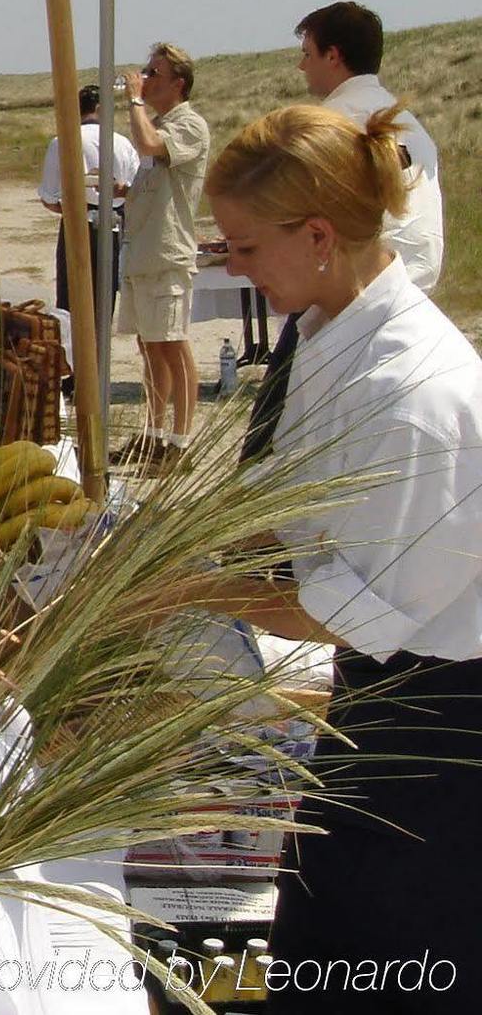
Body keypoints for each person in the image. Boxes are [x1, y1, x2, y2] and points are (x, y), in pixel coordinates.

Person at [191, 103, 482, 1010]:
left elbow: (353, 608)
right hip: (382, 702)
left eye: (242, 247)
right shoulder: (325, 330)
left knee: (396, 961)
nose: (231, 268)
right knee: (321, 939)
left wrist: (180, 590)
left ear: (317, 234)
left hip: (442, 731)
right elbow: (292, 498)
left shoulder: (416, 397)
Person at [295, 0, 443, 293]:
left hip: (371, 283)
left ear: (333, 56)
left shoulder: (334, 122)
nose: (301, 66)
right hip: (421, 276)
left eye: (307, 54)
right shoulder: (405, 118)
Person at [114, 43, 210, 475]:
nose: (146, 78)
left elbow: (151, 145)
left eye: (154, 73)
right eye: (146, 72)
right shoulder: (159, 124)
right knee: (149, 344)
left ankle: (181, 441)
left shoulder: (189, 125)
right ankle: (154, 434)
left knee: (173, 343)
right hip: (144, 253)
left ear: (178, 84)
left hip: (167, 254)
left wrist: (134, 98)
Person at [38, 83, 140, 314]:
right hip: (114, 222)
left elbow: (48, 196)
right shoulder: (122, 143)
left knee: (72, 302)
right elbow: (136, 189)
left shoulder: (63, 141)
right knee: (105, 301)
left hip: (77, 223)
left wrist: (71, 210)